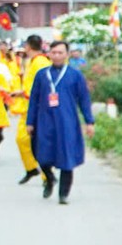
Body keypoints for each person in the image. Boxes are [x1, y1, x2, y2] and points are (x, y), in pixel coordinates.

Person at [27, 39, 96, 204]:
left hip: (67, 121)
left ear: (66, 55)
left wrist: (89, 122)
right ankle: (49, 179)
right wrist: (30, 121)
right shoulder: (42, 75)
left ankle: (63, 193)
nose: (57, 56)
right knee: (42, 155)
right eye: (54, 52)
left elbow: (84, 100)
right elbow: (34, 99)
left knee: (67, 157)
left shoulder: (75, 75)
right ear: (49, 54)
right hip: (44, 120)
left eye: (60, 52)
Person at [13, 34, 48, 183]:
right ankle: (31, 168)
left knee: (39, 141)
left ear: (28, 46)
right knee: (21, 139)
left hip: (38, 108)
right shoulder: (31, 62)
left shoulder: (41, 62)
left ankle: (47, 175)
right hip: (27, 106)